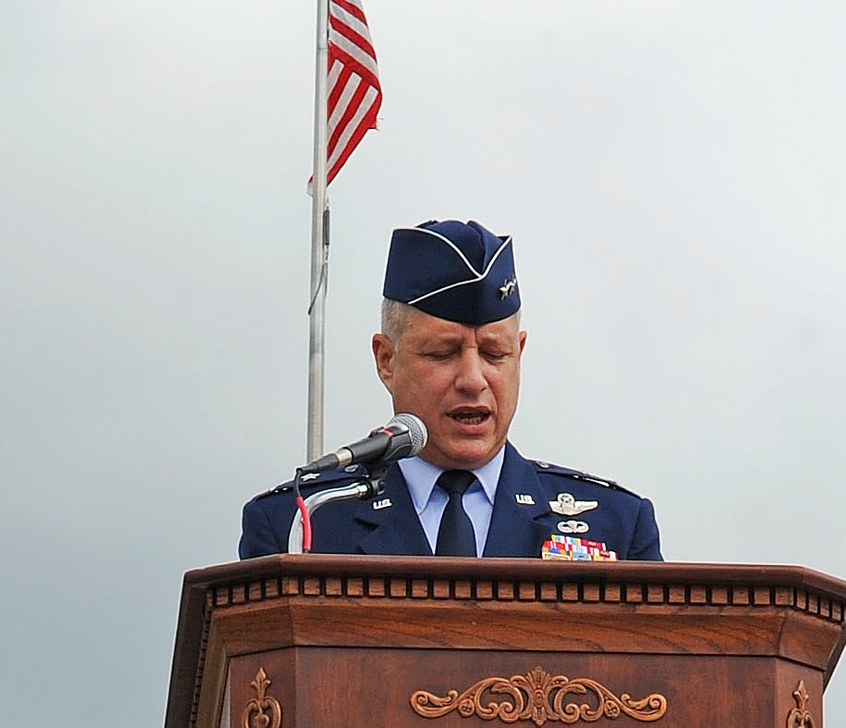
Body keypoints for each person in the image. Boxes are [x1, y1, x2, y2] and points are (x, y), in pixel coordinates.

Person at [239, 219, 661, 561]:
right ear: (387, 360)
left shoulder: (617, 527)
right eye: (443, 353)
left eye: (495, 354)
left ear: (520, 353)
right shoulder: (302, 524)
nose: (473, 379)